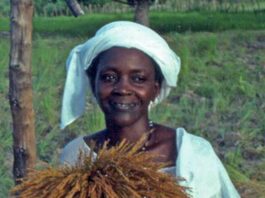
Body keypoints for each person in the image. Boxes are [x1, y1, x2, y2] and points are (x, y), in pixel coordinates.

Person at [60, 21, 240, 198]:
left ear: (155, 89)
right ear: (94, 84)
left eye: (138, 79)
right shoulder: (76, 155)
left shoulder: (193, 154)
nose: (123, 89)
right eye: (109, 77)